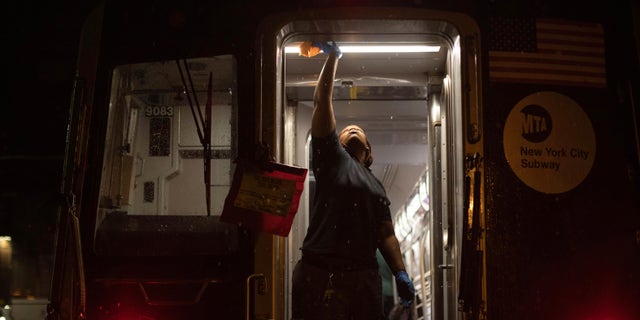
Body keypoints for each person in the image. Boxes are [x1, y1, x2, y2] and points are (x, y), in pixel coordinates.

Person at [291, 42, 415, 320]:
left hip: (362, 276)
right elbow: (322, 100)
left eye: (359, 130)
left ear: (368, 151)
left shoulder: (377, 186)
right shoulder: (331, 158)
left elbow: (386, 234)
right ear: (339, 142)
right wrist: (333, 57)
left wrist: (401, 272)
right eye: (346, 129)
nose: (353, 128)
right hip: (321, 274)